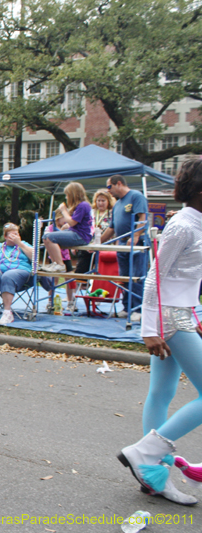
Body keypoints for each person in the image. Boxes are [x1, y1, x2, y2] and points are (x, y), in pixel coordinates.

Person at [117, 158, 202, 506]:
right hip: (170, 317)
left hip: (182, 313)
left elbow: (189, 279)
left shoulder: (196, 223)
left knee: (161, 393)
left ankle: (153, 476)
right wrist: (149, 329)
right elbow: (155, 278)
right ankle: (145, 453)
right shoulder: (183, 225)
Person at [101, 174, 149, 321]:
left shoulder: (136, 196)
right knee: (124, 277)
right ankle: (127, 307)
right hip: (121, 244)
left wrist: (135, 236)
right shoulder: (117, 204)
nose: (108, 190)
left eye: (109, 187)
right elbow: (111, 228)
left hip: (137, 243)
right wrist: (97, 243)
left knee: (136, 277)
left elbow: (143, 217)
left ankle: (138, 309)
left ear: (119, 184)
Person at [0, 223, 35, 325]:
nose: (15, 237)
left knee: (8, 276)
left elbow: (35, 257)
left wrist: (20, 244)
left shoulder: (24, 245)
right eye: (12, 235)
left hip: (20, 272)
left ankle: (7, 312)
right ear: (5, 236)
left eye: (16, 234)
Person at [42, 182, 93, 273]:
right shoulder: (80, 206)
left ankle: (60, 265)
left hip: (80, 236)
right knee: (45, 237)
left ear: (73, 195)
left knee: (50, 237)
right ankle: (55, 263)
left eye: (67, 195)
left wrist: (64, 210)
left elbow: (72, 222)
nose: (66, 197)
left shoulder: (83, 205)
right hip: (76, 233)